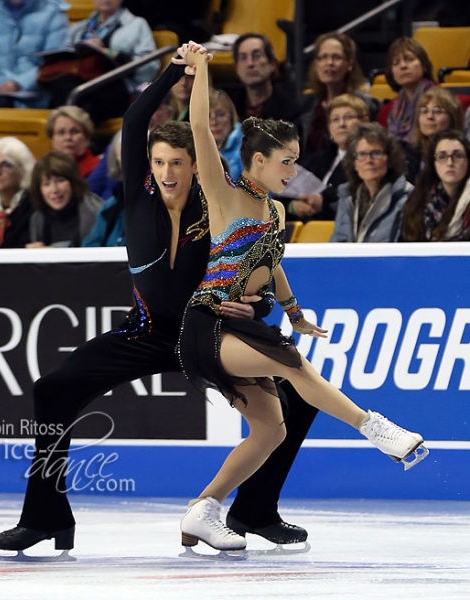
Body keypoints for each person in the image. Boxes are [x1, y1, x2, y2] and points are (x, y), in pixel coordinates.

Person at [0, 52, 317, 559]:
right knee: (53, 390)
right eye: (160, 162)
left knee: (298, 401)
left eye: (179, 163)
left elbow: (257, 266)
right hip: (143, 333)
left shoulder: (218, 209)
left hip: (205, 333)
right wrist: (175, 72)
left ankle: (254, 509)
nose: (167, 172)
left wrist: (262, 308)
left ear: (197, 166)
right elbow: (135, 119)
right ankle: (45, 515)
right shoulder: (137, 195)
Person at [176, 42, 427, 553]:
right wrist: (201, 69)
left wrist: (294, 311)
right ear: (259, 160)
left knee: (270, 430)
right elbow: (200, 129)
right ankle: (374, 428)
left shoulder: (274, 212)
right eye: (286, 162)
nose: (294, 171)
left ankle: (203, 509)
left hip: (241, 326)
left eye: (295, 161)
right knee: (291, 363)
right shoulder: (224, 194)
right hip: (207, 324)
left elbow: (272, 266)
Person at [51, 0, 159, 123]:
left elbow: (150, 66)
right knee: (61, 84)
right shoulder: (79, 29)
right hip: (82, 80)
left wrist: (110, 53)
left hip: (117, 85)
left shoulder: (137, 25)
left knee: (84, 94)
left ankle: (80, 134)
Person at [0, 0, 69, 109]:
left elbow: (53, 65)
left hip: (36, 97)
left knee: (1, 106)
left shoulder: (53, 13)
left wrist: (19, 83)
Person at [286, 93, 370, 221]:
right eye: (335, 119)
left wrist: (323, 201)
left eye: (348, 117)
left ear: (365, 122)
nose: (341, 124)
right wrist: (292, 206)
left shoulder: (369, 160)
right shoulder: (318, 158)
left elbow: (360, 193)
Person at [296, 32, 380, 157]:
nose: (329, 63)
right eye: (323, 57)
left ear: (349, 64)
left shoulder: (367, 105)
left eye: (336, 57)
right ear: (316, 64)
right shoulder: (307, 105)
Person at [330, 122, 412, 243]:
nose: (369, 161)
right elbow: (336, 247)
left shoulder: (407, 199)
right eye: (362, 154)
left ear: (389, 160)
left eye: (376, 153)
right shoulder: (347, 199)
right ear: (355, 163)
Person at [401, 129, 470, 241]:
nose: (450, 163)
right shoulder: (418, 202)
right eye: (442, 156)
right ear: (433, 163)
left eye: (457, 155)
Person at [27, 151, 103, 248]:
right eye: (46, 184)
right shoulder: (38, 218)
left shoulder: (95, 211)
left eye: (60, 181)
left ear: (73, 182)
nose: (54, 190)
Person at [228, 33, 298, 123]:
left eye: (256, 55)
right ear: (237, 69)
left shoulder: (290, 107)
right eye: (243, 58)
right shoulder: (230, 107)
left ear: (272, 64)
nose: (250, 63)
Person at [378, 37, 435, 143]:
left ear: (424, 65)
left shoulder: (440, 100)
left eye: (409, 59)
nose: (403, 66)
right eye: (396, 63)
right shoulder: (388, 110)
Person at [403, 87, 464, 184]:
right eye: (424, 111)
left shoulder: (464, 152)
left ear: (452, 117)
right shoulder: (410, 153)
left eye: (438, 111)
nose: (430, 116)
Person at [82, 130, 125, 246]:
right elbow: (90, 246)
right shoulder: (110, 206)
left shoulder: (163, 203)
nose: (130, 158)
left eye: (138, 152)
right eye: (124, 153)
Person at [47, 106, 101, 178]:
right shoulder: (44, 169)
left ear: (87, 137)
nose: (68, 137)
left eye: (74, 132)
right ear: (52, 138)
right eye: (61, 132)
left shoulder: (98, 168)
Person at [209, 88, 243, 181]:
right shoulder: (192, 150)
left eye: (220, 115)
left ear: (231, 117)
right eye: (207, 116)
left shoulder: (248, 149)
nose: (214, 122)